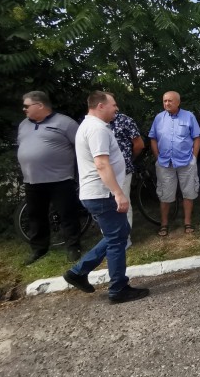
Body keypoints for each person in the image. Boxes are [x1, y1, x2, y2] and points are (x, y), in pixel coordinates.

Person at [62, 91, 149, 303]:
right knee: (117, 240)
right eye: (113, 104)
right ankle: (118, 289)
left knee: (118, 234)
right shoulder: (96, 129)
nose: (116, 108)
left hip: (100, 192)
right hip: (103, 193)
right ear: (101, 106)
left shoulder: (93, 126)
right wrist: (118, 193)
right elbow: (101, 163)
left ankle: (78, 272)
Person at [17, 90, 82, 264]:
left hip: (60, 179)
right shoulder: (24, 124)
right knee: (35, 216)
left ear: (39, 105)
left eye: (26, 106)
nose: (24, 109)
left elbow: (82, 146)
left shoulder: (65, 123)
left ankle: (73, 247)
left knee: (67, 214)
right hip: (32, 180)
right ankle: (39, 248)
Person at [148, 91, 200, 236]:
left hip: (186, 162)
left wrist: (193, 158)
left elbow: (197, 137)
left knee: (188, 193)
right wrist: (157, 157)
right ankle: (164, 224)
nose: (167, 104)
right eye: (164, 101)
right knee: (165, 195)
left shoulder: (189, 116)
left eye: (170, 101)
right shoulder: (159, 118)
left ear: (178, 102)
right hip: (165, 163)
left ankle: (187, 222)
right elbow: (152, 138)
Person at [109, 111, 144, 246]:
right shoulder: (94, 123)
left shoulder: (125, 120)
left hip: (122, 171)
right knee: (106, 206)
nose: (115, 108)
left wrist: (129, 159)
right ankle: (110, 239)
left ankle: (124, 239)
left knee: (123, 203)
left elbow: (139, 144)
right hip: (100, 173)